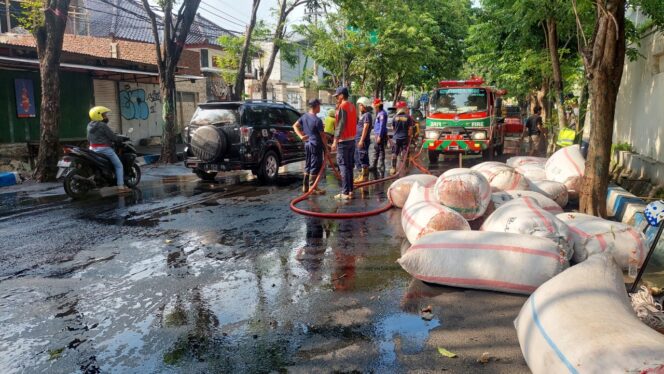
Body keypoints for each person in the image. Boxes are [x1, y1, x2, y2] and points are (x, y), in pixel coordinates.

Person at [87, 106, 130, 192]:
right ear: (99, 116)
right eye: (104, 115)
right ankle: (121, 187)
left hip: (92, 149)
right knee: (119, 165)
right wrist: (120, 139)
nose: (106, 117)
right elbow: (113, 137)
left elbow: (88, 138)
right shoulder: (102, 125)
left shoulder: (89, 125)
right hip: (104, 149)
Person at [293, 99, 327, 195]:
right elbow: (322, 136)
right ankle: (313, 187)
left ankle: (305, 187)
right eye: (319, 106)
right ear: (315, 106)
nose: (320, 107)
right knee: (315, 165)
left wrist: (301, 136)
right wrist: (327, 149)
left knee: (308, 164)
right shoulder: (317, 120)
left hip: (307, 144)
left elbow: (294, 126)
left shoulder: (304, 116)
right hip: (316, 145)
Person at [331, 87, 357, 200]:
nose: (336, 98)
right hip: (352, 140)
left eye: (337, 96)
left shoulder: (343, 106)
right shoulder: (352, 106)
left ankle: (345, 192)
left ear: (342, 95)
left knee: (343, 166)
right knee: (349, 166)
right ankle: (350, 190)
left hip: (343, 141)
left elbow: (340, 125)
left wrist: (335, 141)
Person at [390, 101, 413, 175]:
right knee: (405, 153)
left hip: (396, 138)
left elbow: (393, 128)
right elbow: (410, 129)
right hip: (405, 138)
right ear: (403, 108)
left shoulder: (395, 117)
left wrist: (396, 132)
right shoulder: (408, 117)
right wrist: (410, 136)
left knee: (394, 153)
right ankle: (406, 168)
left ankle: (393, 168)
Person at [354, 97, 373, 183]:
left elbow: (365, 127)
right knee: (358, 157)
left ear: (364, 105)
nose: (359, 107)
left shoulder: (367, 115)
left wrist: (361, 140)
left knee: (363, 157)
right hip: (358, 139)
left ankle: (364, 177)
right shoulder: (363, 115)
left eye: (360, 105)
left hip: (363, 140)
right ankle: (361, 175)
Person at [370, 98, 388, 172]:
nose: (374, 108)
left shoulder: (382, 114)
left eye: (375, 107)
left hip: (379, 135)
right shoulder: (380, 113)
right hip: (377, 134)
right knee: (377, 149)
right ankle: (375, 165)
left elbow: (382, 126)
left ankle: (381, 166)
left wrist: (379, 136)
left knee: (380, 150)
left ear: (377, 106)